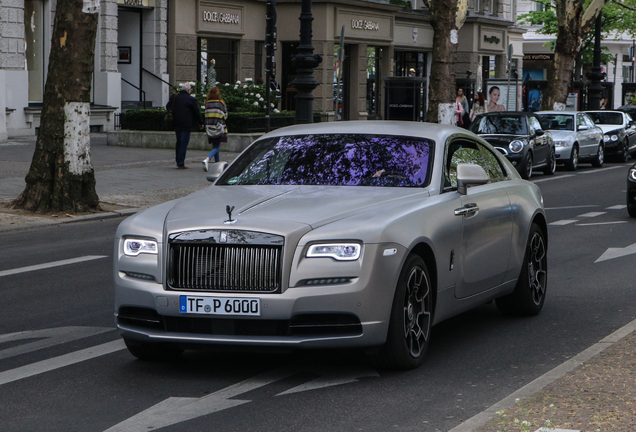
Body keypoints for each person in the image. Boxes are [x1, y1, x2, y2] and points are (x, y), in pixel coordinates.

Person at [166, 82, 204, 169]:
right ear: (189, 90)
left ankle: (178, 161)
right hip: (186, 124)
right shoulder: (191, 99)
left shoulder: (174, 97)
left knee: (178, 142)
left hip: (176, 123)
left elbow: (168, 106)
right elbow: (196, 112)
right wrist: (201, 122)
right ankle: (181, 163)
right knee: (183, 143)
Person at [202, 87, 228, 172]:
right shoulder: (220, 103)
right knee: (216, 147)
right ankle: (207, 159)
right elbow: (225, 115)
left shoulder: (207, 103)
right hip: (218, 127)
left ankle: (217, 164)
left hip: (210, 128)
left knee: (215, 145)